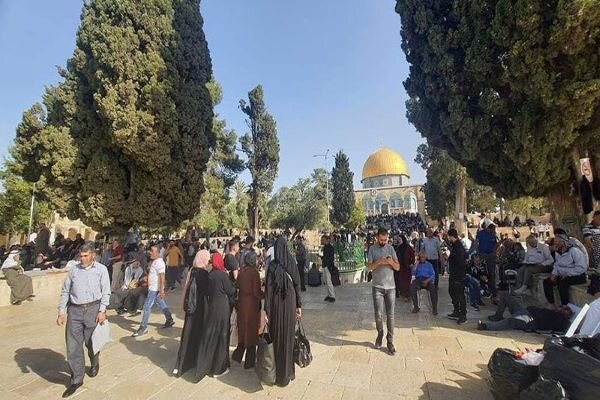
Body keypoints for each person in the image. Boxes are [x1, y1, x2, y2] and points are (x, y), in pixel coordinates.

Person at [56, 243, 110, 398]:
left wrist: (102, 310)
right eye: (81, 256)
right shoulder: (74, 270)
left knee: (91, 342)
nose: (83, 259)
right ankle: (76, 379)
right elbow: (66, 290)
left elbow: (106, 291)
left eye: (86, 256)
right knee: (73, 345)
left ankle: (94, 362)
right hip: (75, 310)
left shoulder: (101, 270)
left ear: (93, 255)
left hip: (93, 309)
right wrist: (61, 312)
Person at [264, 236, 302, 386]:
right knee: (288, 337)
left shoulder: (272, 266)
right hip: (290, 303)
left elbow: (268, 291)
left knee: (277, 336)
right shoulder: (292, 263)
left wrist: (266, 311)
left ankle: (277, 373)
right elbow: (298, 284)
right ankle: (288, 374)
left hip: (275, 306)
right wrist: (299, 305)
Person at [196, 247, 236, 380]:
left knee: (212, 335)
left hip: (212, 306)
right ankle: (219, 368)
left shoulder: (210, 275)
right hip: (222, 307)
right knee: (222, 336)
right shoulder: (222, 275)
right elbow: (230, 291)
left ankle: (208, 365)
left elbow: (207, 291)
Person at [173, 250, 210, 377]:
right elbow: (206, 293)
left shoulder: (192, 270)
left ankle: (181, 364)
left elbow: (185, 287)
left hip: (190, 307)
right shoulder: (204, 274)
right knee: (197, 333)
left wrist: (182, 303)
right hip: (199, 309)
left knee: (187, 333)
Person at [367, 228, 400, 354]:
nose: (383, 241)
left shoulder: (391, 248)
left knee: (390, 316)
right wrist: (379, 262)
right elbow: (369, 266)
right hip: (378, 287)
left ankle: (390, 341)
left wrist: (390, 262)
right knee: (378, 315)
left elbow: (398, 267)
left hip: (391, 287)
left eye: (385, 239)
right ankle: (380, 334)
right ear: (377, 237)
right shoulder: (372, 249)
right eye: (381, 239)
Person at [232, 243, 263, 369]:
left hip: (242, 302)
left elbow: (237, 285)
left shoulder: (242, 271)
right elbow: (256, 292)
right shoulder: (254, 273)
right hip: (251, 305)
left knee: (243, 330)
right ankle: (249, 361)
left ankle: (237, 355)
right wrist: (265, 294)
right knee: (251, 332)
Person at [478, 291, 572, 333]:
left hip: (530, 320)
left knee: (511, 321)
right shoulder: (554, 312)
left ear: (567, 315)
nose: (561, 308)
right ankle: (498, 316)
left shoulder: (562, 321)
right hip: (525, 311)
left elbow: (570, 330)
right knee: (505, 295)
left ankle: (485, 326)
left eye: (565, 309)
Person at [132, 245, 174, 337]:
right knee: (162, 304)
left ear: (158, 253)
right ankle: (169, 319)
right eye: (150, 251)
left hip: (155, 290)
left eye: (152, 251)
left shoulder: (159, 263)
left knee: (147, 306)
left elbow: (162, 277)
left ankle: (143, 328)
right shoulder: (154, 262)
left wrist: (162, 290)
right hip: (153, 288)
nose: (150, 252)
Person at [543, 232, 588, 306]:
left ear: (563, 242)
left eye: (556, 242)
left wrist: (568, 274)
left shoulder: (574, 251)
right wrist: (554, 274)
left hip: (579, 275)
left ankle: (565, 306)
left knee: (563, 283)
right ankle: (552, 304)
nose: (555, 245)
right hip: (563, 274)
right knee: (547, 282)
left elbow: (581, 268)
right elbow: (557, 265)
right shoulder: (558, 252)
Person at [447, 229, 468, 324]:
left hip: (458, 275)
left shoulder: (458, 247)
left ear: (452, 236)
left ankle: (463, 315)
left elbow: (460, 261)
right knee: (452, 291)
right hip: (454, 274)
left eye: (449, 237)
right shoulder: (454, 246)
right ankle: (456, 310)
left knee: (460, 294)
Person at [475, 223, 499, 297]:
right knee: (483, 272)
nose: (494, 230)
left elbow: (496, 244)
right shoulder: (481, 233)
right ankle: (483, 288)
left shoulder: (493, 235)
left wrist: (495, 253)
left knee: (492, 272)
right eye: (493, 229)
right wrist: (477, 254)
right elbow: (476, 243)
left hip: (491, 255)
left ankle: (492, 289)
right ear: (489, 228)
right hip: (483, 254)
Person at [393, 234, 414, 301]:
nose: (399, 241)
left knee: (407, 283)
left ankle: (408, 296)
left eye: (400, 240)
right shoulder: (398, 248)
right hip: (399, 268)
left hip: (406, 268)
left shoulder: (408, 247)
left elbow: (412, 256)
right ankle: (402, 295)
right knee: (400, 282)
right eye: (398, 240)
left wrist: (411, 264)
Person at [321, 235, 336, 303]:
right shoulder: (325, 247)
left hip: (328, 267)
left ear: (327, 240)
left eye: (323, 240)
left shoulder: (330, 247)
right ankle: (329, 295)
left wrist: (329, 265)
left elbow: (331, 258)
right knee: (326, 281)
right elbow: (325, 257)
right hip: (324, 266)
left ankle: (332, 296)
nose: (322, 241)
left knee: (329, 282)